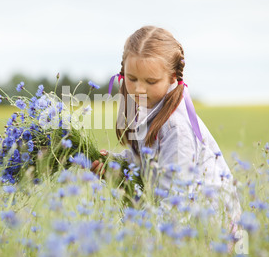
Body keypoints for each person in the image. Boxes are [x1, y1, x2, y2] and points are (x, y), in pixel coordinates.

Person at [91, 25, 241, 230]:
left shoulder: (175, 128)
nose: (138, 89)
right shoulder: (148, 107)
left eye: (150, 81)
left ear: (172, 78)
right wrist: (113, 164)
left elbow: (176, 204)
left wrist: (140, 235)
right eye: (132, 79)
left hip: (210, 233)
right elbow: (146, 161)